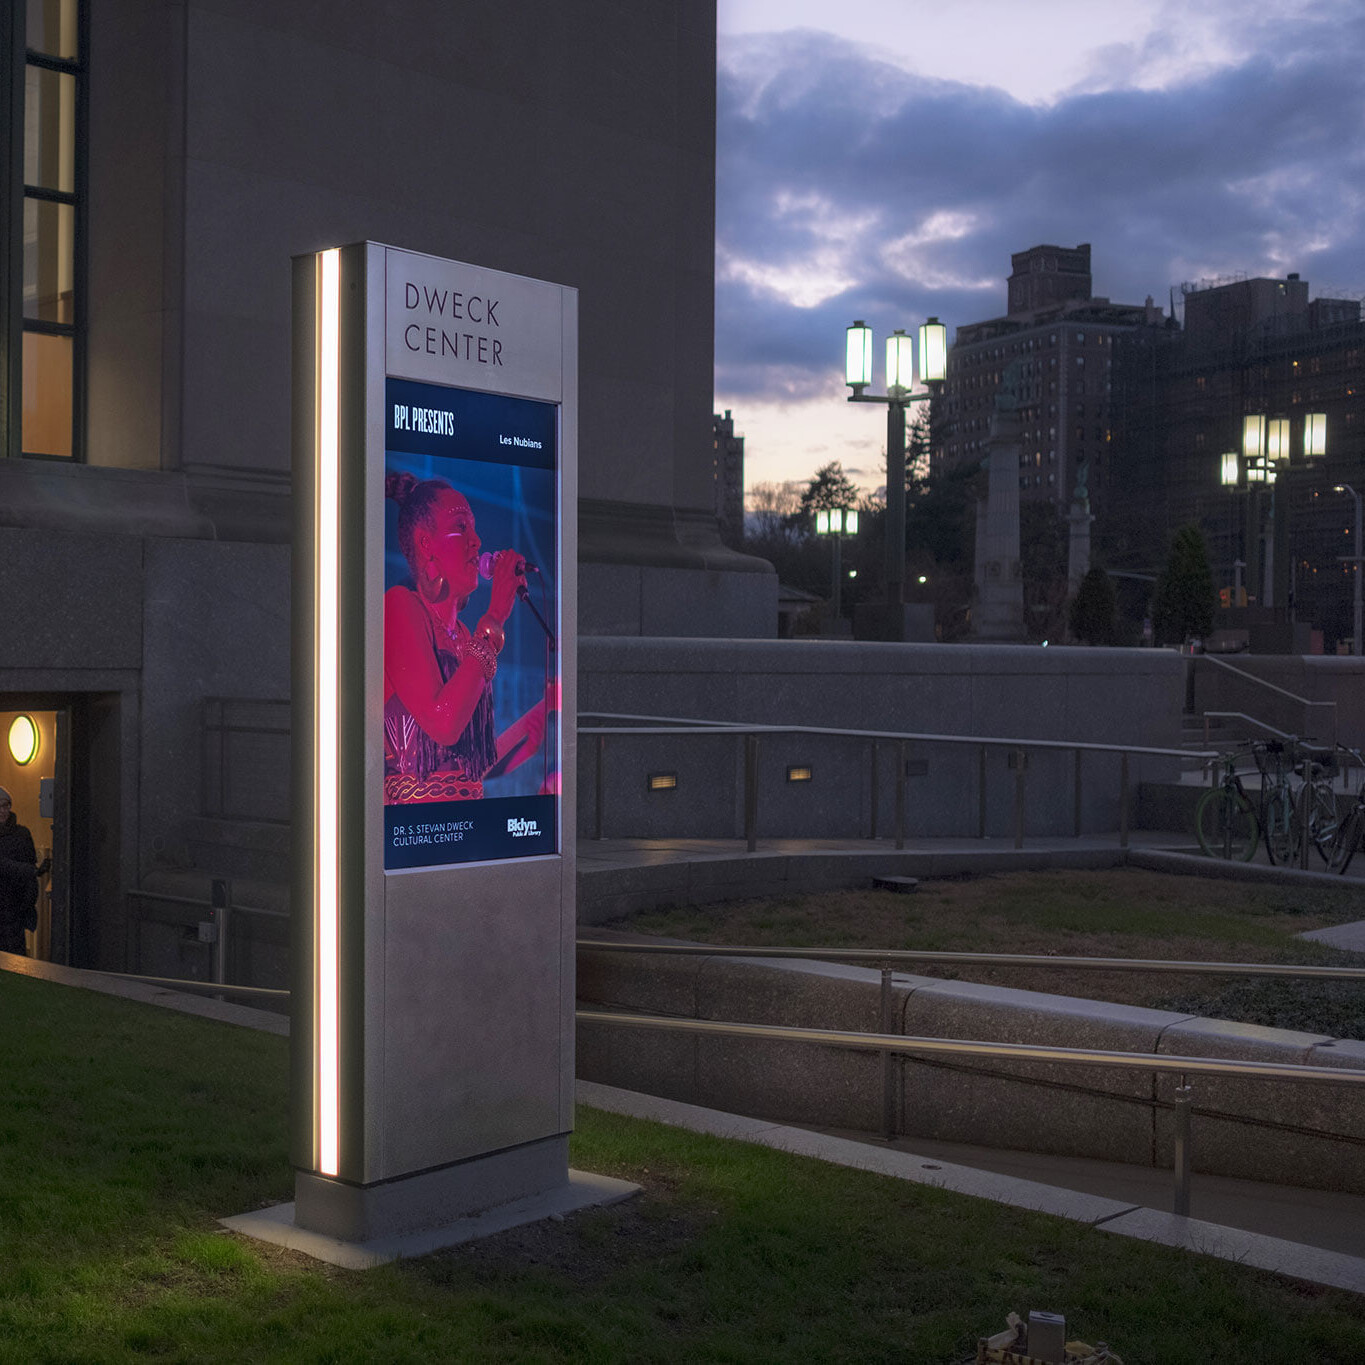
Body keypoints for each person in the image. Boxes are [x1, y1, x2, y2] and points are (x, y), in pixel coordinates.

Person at [383, 472, 548, 803]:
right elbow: (444, 725)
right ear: (425, 543)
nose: (476, 540)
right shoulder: (400, 605)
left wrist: (540, 715)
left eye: (473, 528)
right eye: (461, 527)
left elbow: (468, 768)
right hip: (416, 829)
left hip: (464, 822)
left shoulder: (462, 636)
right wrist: (496, 616)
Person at [0, 787, 41, 956]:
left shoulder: (22, 835)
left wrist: (25, 904)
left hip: (13, 909)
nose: (2, 811)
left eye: (5, 806)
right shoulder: (21, 835)